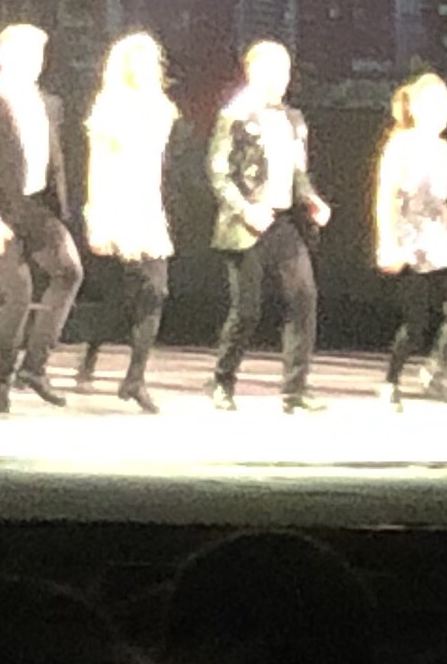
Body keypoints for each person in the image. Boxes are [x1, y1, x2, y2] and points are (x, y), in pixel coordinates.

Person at [0, 21, 86, 416]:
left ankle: (34, 367)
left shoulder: (49, 104)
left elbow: (55, 159)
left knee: (69, 272)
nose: (33, 62)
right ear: (1, 55)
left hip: (37, 208)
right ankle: (0, 383)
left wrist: (60, 206)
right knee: (18, 293)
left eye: (37, 55)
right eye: (24, 53)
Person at [207, 39, 330, 410]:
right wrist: (246, 210)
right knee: (247, 309)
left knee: (303, 297)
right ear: (252, 72)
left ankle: (295, 390)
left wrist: (311, 199)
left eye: (285, 71)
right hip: (245, 224)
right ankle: (222, 381)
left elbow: (297, 172)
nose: (280, 79)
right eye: (272, 71)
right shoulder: (236, 115)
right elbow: (218, 172)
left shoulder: (292, 119)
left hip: (282, 220)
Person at [78, 32, 178, 408]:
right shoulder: (110, 107)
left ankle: (133, 378)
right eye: (136, 60)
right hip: (117, 203)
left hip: (147, 204)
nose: (143, 67)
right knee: (130, 293)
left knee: (154, 292)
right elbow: (98, 165)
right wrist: (96, 216)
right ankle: (94, 354)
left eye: (148, 60)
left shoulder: (161, 108)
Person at [371, 71, 447, 405]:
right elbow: (386, 195)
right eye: (433, 103)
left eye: (446, 103)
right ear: (415, 107)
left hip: (436, 234)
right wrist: (388, 242)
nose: (442, 110)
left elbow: (440, 195)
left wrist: (445, 216)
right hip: (408, 234)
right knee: (416, 321)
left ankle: (435, 368)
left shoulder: (444, 148)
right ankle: (391, 380)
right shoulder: (401, 144)